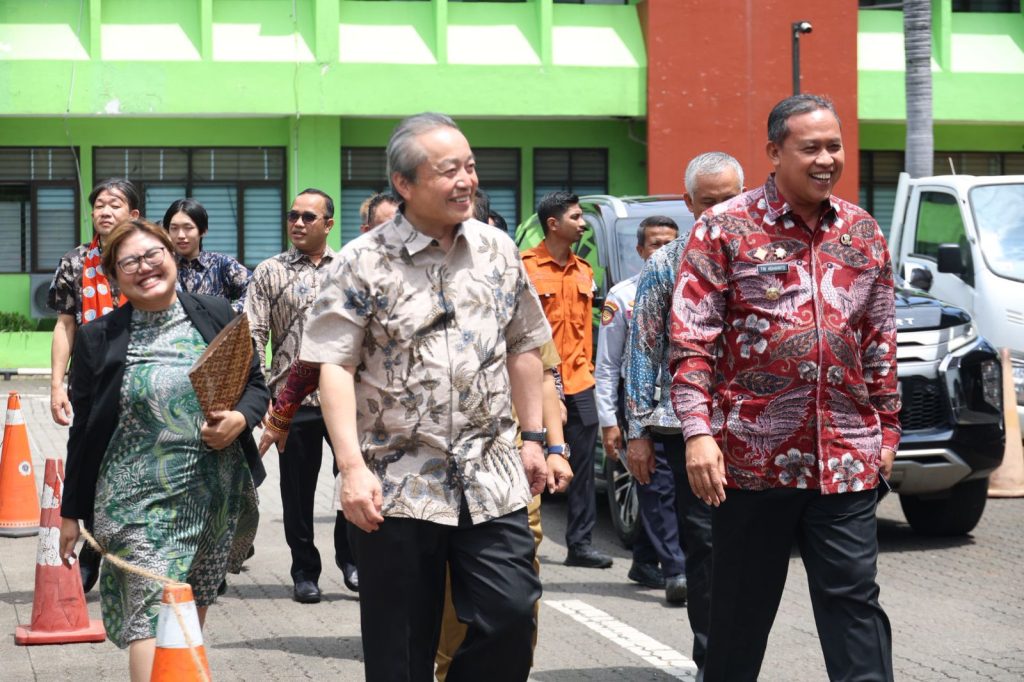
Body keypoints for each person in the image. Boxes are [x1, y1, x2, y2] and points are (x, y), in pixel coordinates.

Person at [302, 112, 550, 681]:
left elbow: (524, 344)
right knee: (401, 651)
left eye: (470, 167)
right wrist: (351, 469)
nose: (466, 181)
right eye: (448, 170)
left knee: (511, 615)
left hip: (491, 473)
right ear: (405, 184)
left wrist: (535, 438)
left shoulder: (497, 249)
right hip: (397, 482)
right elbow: (335, 365)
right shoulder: (361, 261)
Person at [670, 94, 899, 681]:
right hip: (750, 462)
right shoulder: (723, 229)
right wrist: (697, 433)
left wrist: (888, 434)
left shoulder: (863, 232)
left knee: (855, 606)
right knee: (738, 619)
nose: (826, 159)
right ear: (774, 152)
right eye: (810, 148)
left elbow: (880, 340)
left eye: (834, 147)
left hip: (845, 457)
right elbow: (692, 340)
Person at [58, 219, 268, 682]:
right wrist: (70, 512)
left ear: (172, 256)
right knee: (152, 616)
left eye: (153, 254)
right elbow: (83, 430)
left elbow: (255, 383)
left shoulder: (215, 311)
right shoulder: (98, 338)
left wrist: (240, 419)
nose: (145, 267)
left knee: (188, 611)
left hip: (213, 498)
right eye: (129, 262)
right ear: (115, 279)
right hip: (135, 504)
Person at [434, 214, 574, 682]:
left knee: (516, 593)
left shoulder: (509, 288)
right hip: (436, 473)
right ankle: (449, 671)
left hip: (510, 465)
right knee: (451, 593)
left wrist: (554, 449)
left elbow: (545, 378)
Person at [625, 151, 744, 673]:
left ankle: (741, 655)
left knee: (753, 550)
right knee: (706, 545)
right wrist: (637, 431)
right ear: (689, 201)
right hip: (687, 430)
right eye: (707, 201)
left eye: (729, 199)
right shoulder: (666, 264)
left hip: (759, 429)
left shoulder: (768, 255)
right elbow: (643, 349)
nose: (718, 210)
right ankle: (711, 660)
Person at [246, 188, 357, 603]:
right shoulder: (269, 271)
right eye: (293, 215)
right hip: (290, 402)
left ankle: (352, 560)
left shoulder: (349, 269)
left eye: (309, 217)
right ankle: (305, 571)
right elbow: (254, 333)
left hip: (345, 399)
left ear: (329, 224)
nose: (297, 222)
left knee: (352, 477)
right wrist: (259, 391)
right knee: (297, 492)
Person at [48, 177, 141, 593]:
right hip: (92, 380)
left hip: (140, 377)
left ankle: (124, 555)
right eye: (100, 204)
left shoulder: (146, 257)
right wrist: (56, 385)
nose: (105, 211)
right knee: (91, 464)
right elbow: (65, 324)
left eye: (115, 204)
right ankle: (91, 552)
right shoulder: (74, 262)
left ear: (133, 214)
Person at [522, 192, 612, 569]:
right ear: (553, 224)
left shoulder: (584, 271)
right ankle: (524, 542)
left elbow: (588, 329)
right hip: (539, 383)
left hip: (580, 381)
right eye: (575, 217)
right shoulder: (525, 267)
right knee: (528, 460)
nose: (583, 223)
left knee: (583, 467)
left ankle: (580, 544)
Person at [596, 216, 680, 594]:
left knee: (674, 485)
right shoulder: (623, 296)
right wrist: (609, 421)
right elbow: (608, 365)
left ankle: (646, 559)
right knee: (655, 483)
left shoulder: (693, 289)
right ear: (640, 250)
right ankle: (677, 570)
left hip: (682, 399)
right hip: (639, 399)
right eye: (655, 243)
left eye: (670, 243)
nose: (663, 250)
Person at [162, 198, 251, 313]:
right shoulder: (161, 266)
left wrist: (231, 311)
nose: (181, 235)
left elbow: (255, 287)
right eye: (174, 228)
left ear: (203, 230)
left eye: (188, 228)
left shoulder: (221, 264)